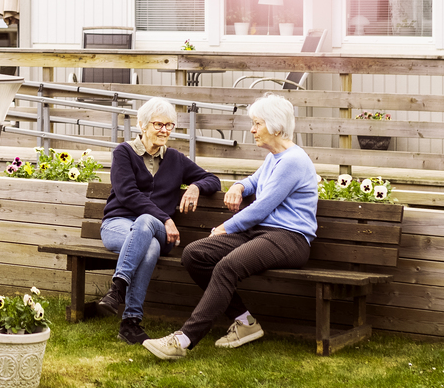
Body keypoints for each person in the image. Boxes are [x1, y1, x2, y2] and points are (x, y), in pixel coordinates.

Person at [144, 93, 315, 361]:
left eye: (257, 124)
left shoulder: (294, 160)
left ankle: (183, 340)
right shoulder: (275, 157)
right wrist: (238, 185)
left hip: (289, 238)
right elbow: (254, 182)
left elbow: (263, 207)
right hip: (260, 233)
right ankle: (245, 322)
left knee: (228, 266)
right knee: (195, 254)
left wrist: (226, 227)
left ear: (275, 126)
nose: (252, 130)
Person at [97, 96, 222, 345]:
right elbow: (127, 194)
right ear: (142, 125)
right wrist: (165, 217)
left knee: (146, 223)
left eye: (169, 125)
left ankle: (117, 289)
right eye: (158, 124)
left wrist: (196, 186)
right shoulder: (124, 153)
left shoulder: (175, 159)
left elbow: (213, 180)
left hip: (158, 228)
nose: (165, 130)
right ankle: (131, 322)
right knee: (150, 246)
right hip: (118, 225)